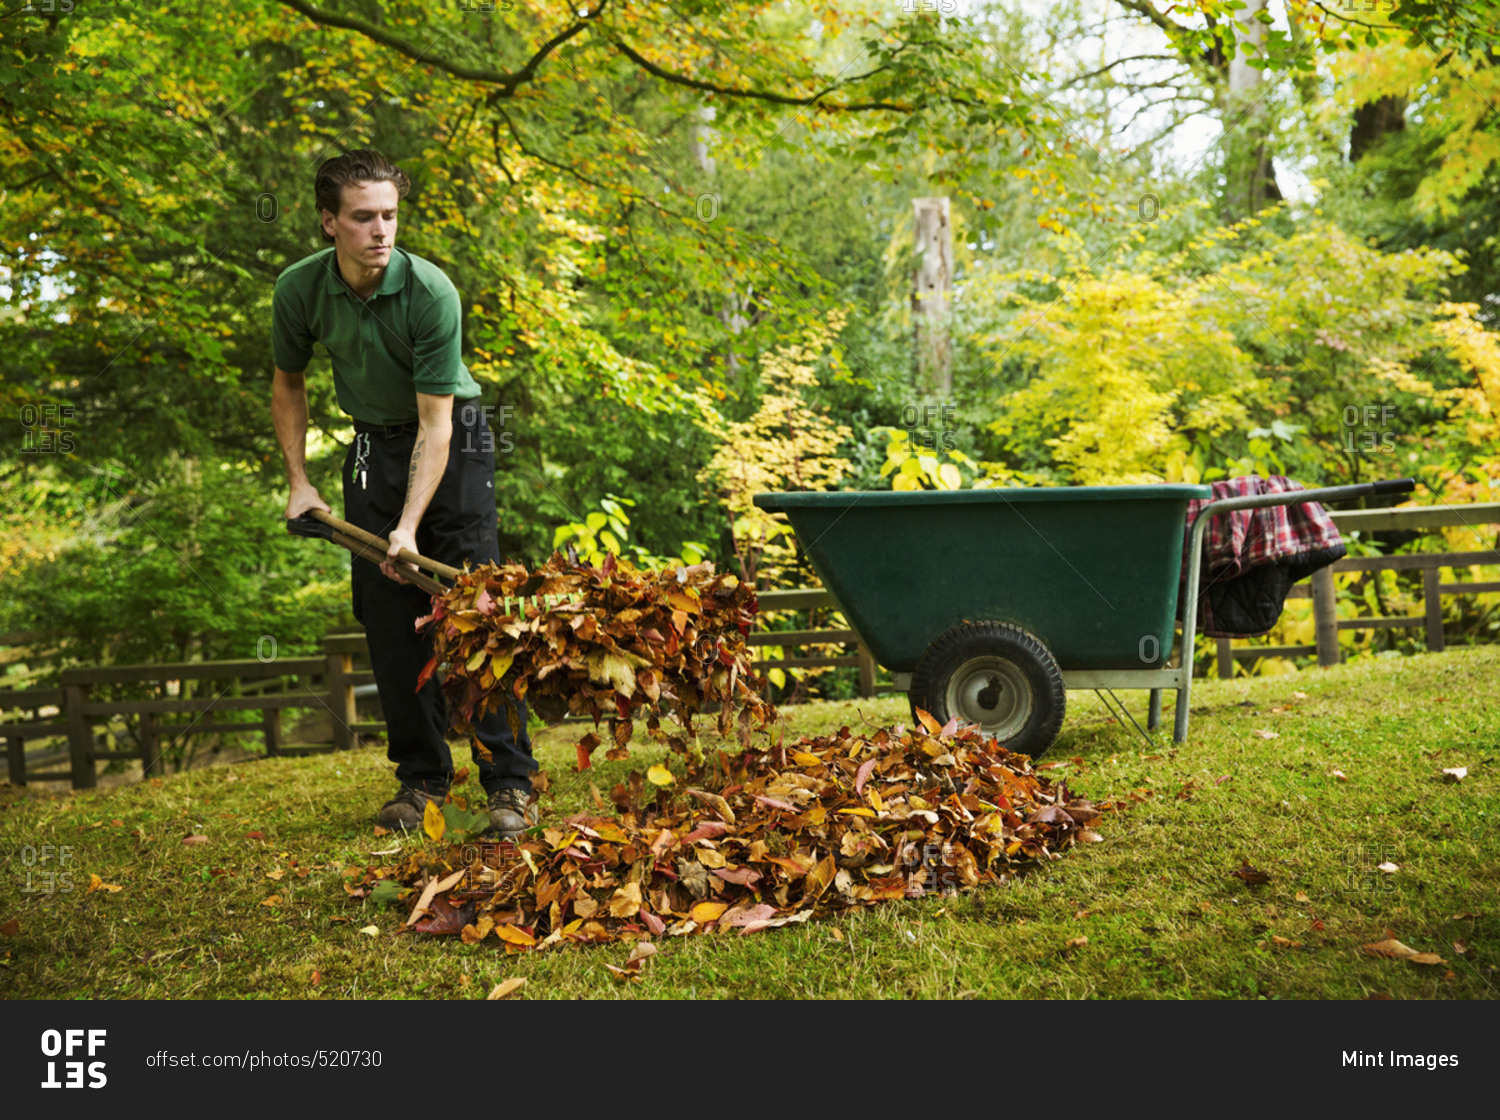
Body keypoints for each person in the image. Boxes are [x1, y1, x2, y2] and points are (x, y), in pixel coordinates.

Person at [269, 148, 537, 837]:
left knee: (475, 610)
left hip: (453, 439)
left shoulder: (429, 293)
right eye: (363, 217)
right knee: (387, 616)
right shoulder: (300, 290)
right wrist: (301, 482)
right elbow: (288, 383)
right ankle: (421, 782)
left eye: (389, 215)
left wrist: (409, 526)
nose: (381, 230)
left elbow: (435, 423)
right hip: (368, 445)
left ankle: (509, 784)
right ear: (329, 222)